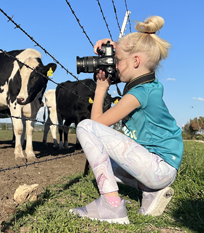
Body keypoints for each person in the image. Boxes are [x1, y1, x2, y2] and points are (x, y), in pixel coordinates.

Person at [69, 16, 183, 224]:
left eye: (116, 61)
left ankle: (111, 206)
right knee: (105, 162)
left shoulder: (137, 94)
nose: (114, 65)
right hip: (160, 169)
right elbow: (98, 125)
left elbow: (94, 125)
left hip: (158, 168)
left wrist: (101, 88)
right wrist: (112, 47)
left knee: (85, 126)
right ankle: (150, 191)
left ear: (136, 61)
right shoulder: (147, 86)